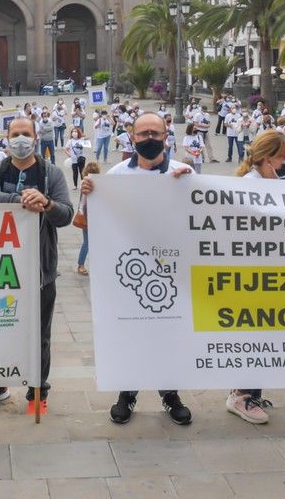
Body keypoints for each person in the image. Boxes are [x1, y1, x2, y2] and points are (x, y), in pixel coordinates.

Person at [80, 112, 194, 426]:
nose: (148, 139)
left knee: (167, 333)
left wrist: (188, 185)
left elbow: (198, 216)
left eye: (154, 133)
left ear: (166, 136)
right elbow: (95, 219)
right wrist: (90, 194)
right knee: (129, 331)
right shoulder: (116, 173)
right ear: (131, 137)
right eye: (142, 134)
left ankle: (170, 394)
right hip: (129, 272)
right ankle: (126, 393)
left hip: (171, 272)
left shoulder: (182, 171)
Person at [0, 116, 73, 415]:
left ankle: (37, 392)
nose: (21, 139)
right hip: (0, 268)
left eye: (26, 133)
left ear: (36, 137)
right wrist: (22, 199)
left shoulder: (51, 173)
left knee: (39, 334)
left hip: (40, 269)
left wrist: (47, 203)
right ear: (6, 137)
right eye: (15, 134)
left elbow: (66, 214)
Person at [226, 129, 285, 424]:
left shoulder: (271, 181)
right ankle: (242, 395)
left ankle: (249, 392)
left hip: (271, 274)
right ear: (268, 159)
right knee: (255, 336)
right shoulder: (249, 187)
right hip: (251, 277)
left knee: (265, 335)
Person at [75, 162, 101, 274]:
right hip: (89, 215)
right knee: (88, 242)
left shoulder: (84, 182)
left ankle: (82, 264)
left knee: (89, 242)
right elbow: (84, 201)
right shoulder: (88, 182)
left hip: (90, 215)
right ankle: (81, 264)